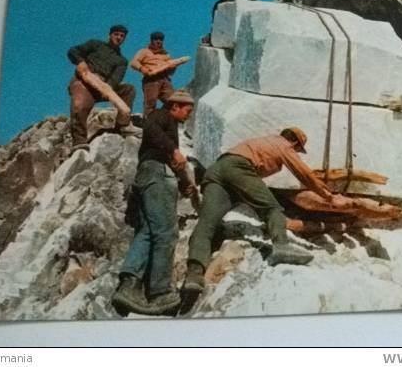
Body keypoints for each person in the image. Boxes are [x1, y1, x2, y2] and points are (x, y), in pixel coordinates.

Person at [182, 127, 334, 302]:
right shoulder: (283, 145)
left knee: (207, 223)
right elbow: (303, 173)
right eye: (299, 149)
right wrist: (326, 195)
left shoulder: (263, 140)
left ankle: (194, 274)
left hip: (216, 170)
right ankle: (281, 246)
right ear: (295, 142)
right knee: (272, 208)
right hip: (238, 168)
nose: (297, 152)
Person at [111, 90, 198, 316]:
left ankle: (129, 285)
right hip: (157, 175)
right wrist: (174, 150)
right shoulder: (162, 115)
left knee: (148, 231)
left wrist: (183, 183)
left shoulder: (167, 129)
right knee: (166, 232)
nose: (189, 115)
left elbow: (169, 156)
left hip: (148, 175)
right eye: (188, 110)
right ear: (175, 106)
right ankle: (159, 292)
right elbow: (150, 127)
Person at [67, 25, 139, 152]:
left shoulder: (122, 61)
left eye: (122, 36)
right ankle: (79, 141)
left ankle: (122, 125)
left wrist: (108, 87)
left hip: (103, 87)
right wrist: (80, 62)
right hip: (84, 80)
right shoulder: (95, 44)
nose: (119, 38)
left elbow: (116, 78)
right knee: (79, 106)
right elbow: (73, 50)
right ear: (110, 35)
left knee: (129, 89)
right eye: (116, 34)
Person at [130, 31, 176, 118]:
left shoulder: (166, 55)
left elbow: (171, 73)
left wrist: (173, 67)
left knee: (173, 101)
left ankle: (162, 119)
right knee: (150, 103)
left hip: (165, 80)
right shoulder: (144, 51)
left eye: (161, 40)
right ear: (151, 41)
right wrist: (143, 69)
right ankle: (148, 123)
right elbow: (134, 62)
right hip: (151, 80)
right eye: (156, 39)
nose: (158, 41)